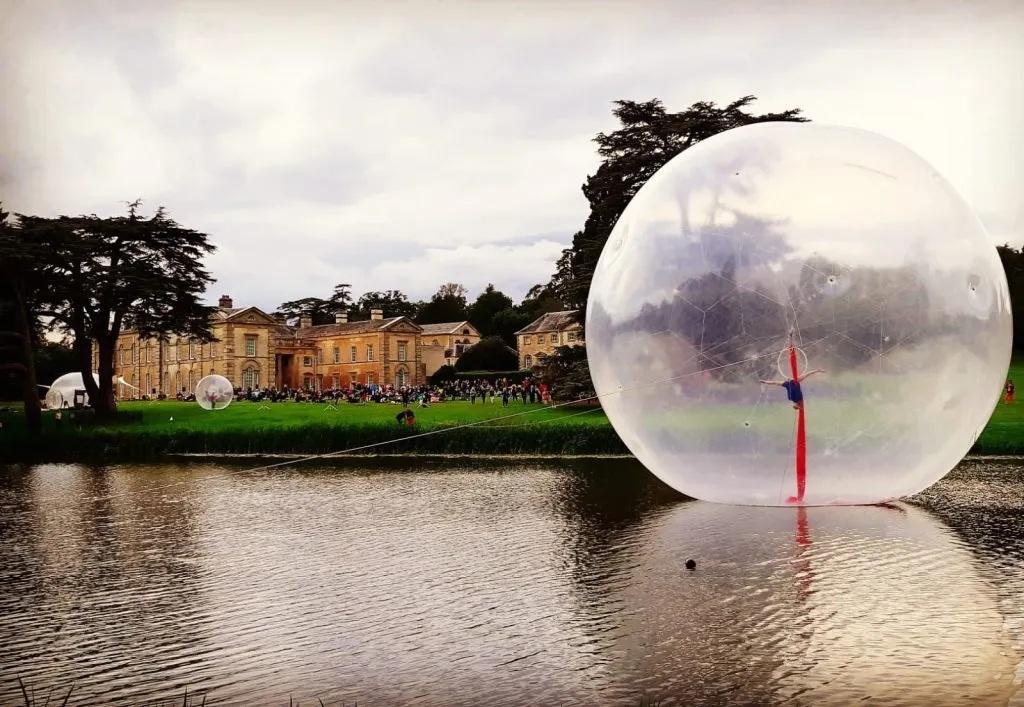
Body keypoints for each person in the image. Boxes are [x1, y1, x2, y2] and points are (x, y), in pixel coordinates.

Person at [760, 369, 825, 409]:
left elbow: (774, 383)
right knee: (805, 375)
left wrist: (765, 382)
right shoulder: (793, 395)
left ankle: (818, 370)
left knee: (776, 383)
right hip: (793, 383)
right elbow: (774, 383)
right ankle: (818, 370)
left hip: (791, 384)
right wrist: (817, 371)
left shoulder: (790, 392)